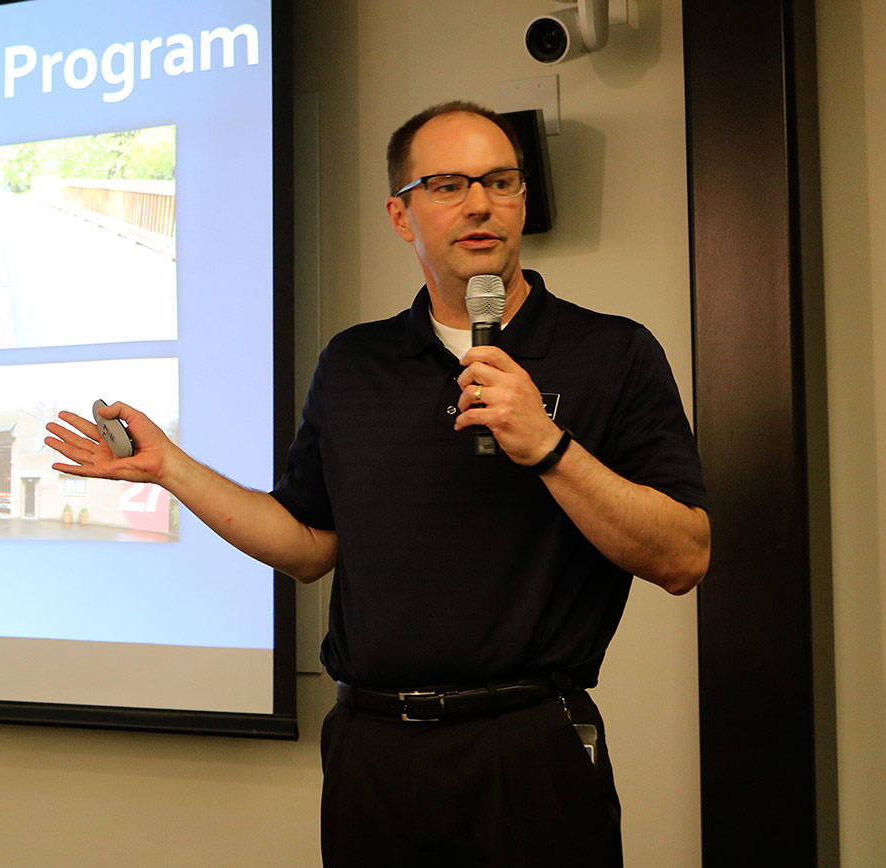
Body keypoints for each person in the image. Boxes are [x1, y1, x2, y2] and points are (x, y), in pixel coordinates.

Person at [45, 100, 710, 865]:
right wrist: (169, 468)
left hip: (528, 751)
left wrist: (550, 445)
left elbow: (684, 556)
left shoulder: (612, 353)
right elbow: (305, 546)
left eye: (501, 181)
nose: (481, 204)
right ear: (401, 214)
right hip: (373, 757)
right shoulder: (355, 364)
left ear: (523, 199)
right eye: (449, 185)